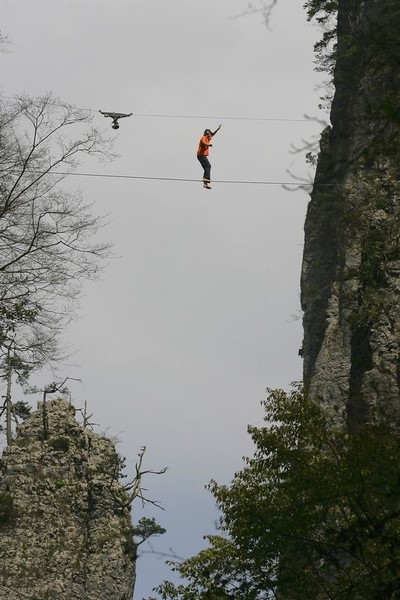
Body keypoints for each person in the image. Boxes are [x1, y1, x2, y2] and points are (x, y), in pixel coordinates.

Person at [196, 124, 222, 189]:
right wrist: (209, 144)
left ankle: (205, 183)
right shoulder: (203, 137)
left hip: (202, 156)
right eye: (209, 134)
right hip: (200, 155)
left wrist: (218, 129)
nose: (210, 135)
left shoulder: (208, 137)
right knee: (208, 166)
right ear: (207, 134)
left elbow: (213, 134)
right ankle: (206, 178)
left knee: (206, 168)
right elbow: (204, 143)